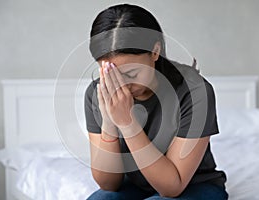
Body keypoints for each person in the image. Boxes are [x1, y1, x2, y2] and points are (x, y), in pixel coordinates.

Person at [84, 3, 228, 200]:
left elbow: (172, 188)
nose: (121, 87)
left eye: (130, 73)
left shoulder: (195, 91)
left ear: (155, 51)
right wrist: (109, 123)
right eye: (111, 74)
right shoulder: (98, 92)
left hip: (194, 185)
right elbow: (109, 184)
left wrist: (127, 124)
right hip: (136, 185)